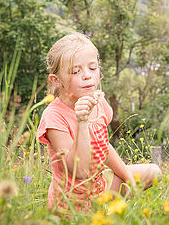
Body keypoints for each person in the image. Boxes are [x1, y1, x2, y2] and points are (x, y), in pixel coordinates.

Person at [37, 33, 161, 211]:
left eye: (92, 68)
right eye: (75, 71)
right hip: (71, 205)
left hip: (99, 188)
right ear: (56, 80)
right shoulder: (54, 117)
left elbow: (103, 145)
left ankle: (106, 212)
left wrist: (128, 178)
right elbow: (79, 172)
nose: (87, 76)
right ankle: (100, 215)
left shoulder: (99, 103)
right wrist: (82, 121)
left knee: (153, 172)